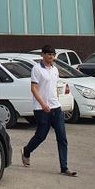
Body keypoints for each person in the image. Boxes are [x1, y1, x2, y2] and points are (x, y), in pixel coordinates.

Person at [21, 44, 77, 176]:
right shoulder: (37, 69)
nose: (51, 57)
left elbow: (53, 87)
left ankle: (64, 167)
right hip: (41, 109)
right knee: (41, 136)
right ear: (43, 55)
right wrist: (43, 104)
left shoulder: (55, 70)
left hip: (56, 108)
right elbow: (34, 88)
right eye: (49, 54)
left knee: (62, 137)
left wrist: (56, 101)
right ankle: (26, 151)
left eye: (53, 55)